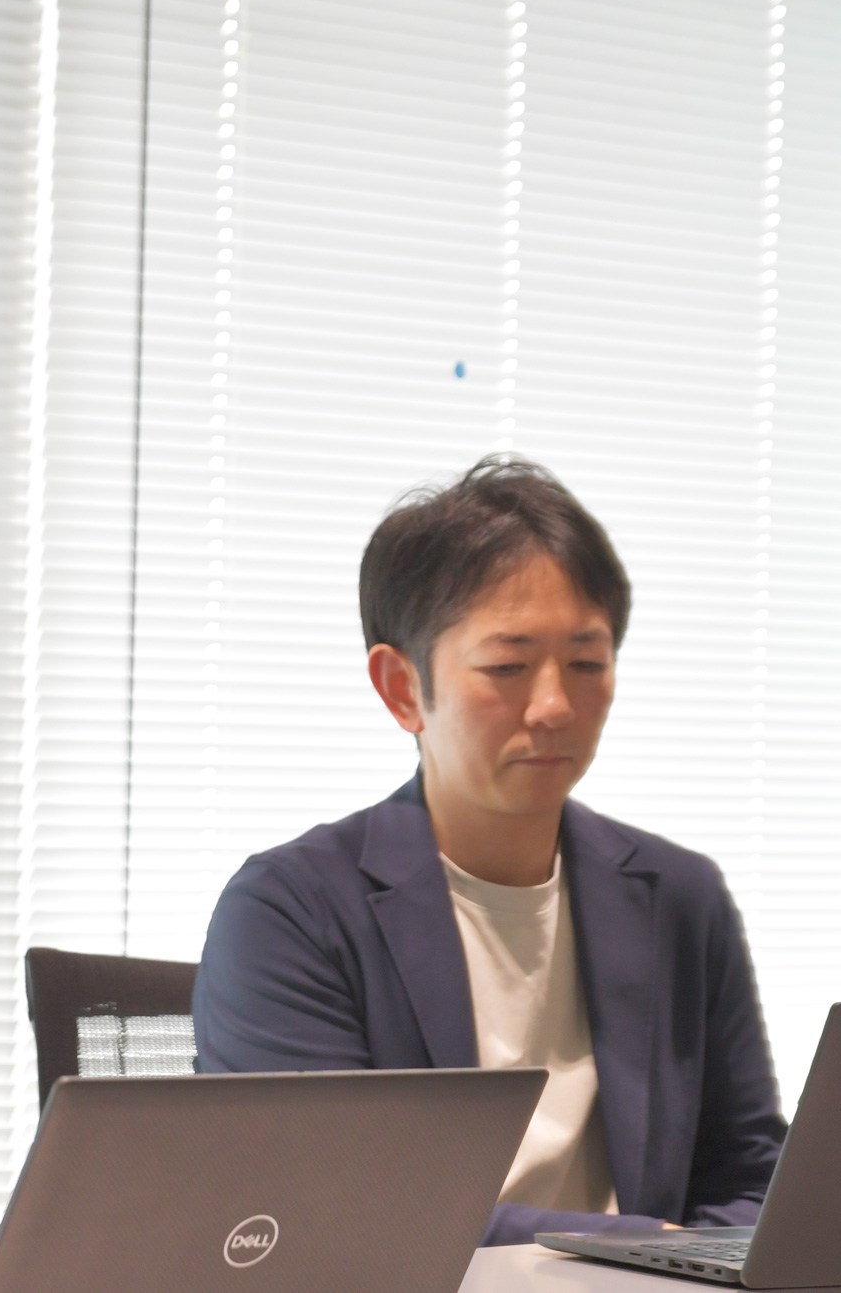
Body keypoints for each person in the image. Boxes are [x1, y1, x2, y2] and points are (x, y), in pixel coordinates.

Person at [192, 457, 786, 1247]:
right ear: (402, 687)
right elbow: (334, 1203)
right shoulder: (291, 910)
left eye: (587, 662)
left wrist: (684, 1259)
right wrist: (649, 1245)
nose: (554, 705)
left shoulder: (680, 895)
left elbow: (751, 1179)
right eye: (508, 666)